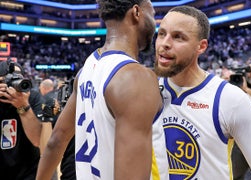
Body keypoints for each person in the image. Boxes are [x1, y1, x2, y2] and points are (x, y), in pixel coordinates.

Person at [36, 0, 168, 180]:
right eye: (152, 15)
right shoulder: (135, 77)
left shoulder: (87, 69)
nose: (155, 24)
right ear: (136, 12)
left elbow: (56, 140)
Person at [154, 5, 251, 179]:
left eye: (178, 37)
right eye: (162, 34)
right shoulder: (147, 90)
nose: (164, 43)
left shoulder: (230, 99)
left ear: (201, 47)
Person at [0, 59, 44, 179]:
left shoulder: (33, 97)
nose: (13, 84)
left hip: (28, 173)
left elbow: (38, 140)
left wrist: (23, 106)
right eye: (8, 80)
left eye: (17, 78)